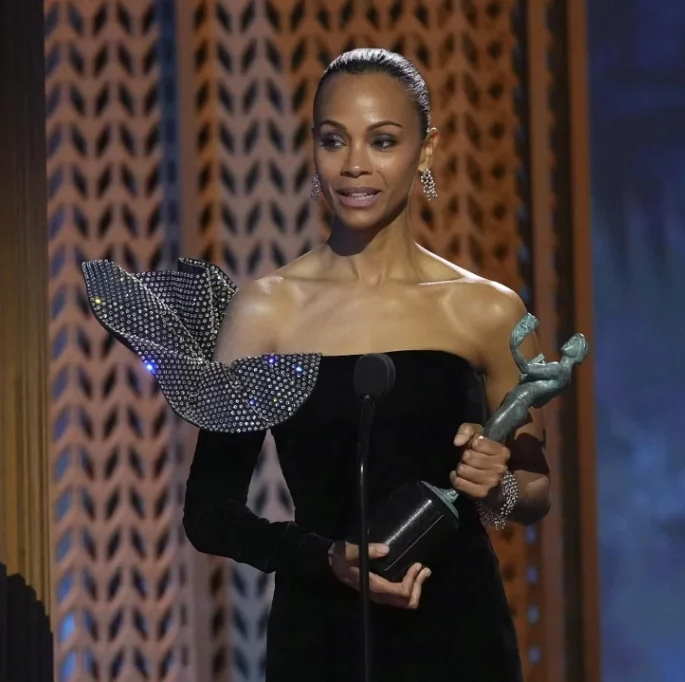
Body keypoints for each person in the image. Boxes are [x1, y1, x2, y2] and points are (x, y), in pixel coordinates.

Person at [180, 48, 550, 681]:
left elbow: (534, 492)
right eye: (334, 140)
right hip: (320, 633)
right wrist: (325, 559)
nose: (354, 165)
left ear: (426, 150)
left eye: (383, 141)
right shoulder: (266, 310)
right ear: (313, 148)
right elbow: (210, 513)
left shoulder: (488, 310)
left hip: (456, 634)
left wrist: (501, 487)